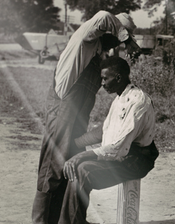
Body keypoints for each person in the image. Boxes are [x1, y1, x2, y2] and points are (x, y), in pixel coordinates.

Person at [32, 10, 140, 224]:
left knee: (72, 168)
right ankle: (41, 221)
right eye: (117, 36)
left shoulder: (99, 54)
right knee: (52, 170)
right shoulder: (84, 40)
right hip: (62, 112)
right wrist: (126, 40)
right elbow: (102, 16)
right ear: (111, 32)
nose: (114, 44)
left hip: (77, 119)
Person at [57, 56, 159, 224]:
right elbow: (104, 131)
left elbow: (117, 148)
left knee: (84, 170)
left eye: (105, 78)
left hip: (137, 160)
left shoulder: (137, 102)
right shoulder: (120, 97)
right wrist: (74, 143)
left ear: (118, 77)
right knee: (77, 166)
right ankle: (73, 221)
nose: (102, 83)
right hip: (124, 155)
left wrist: (80, 156)